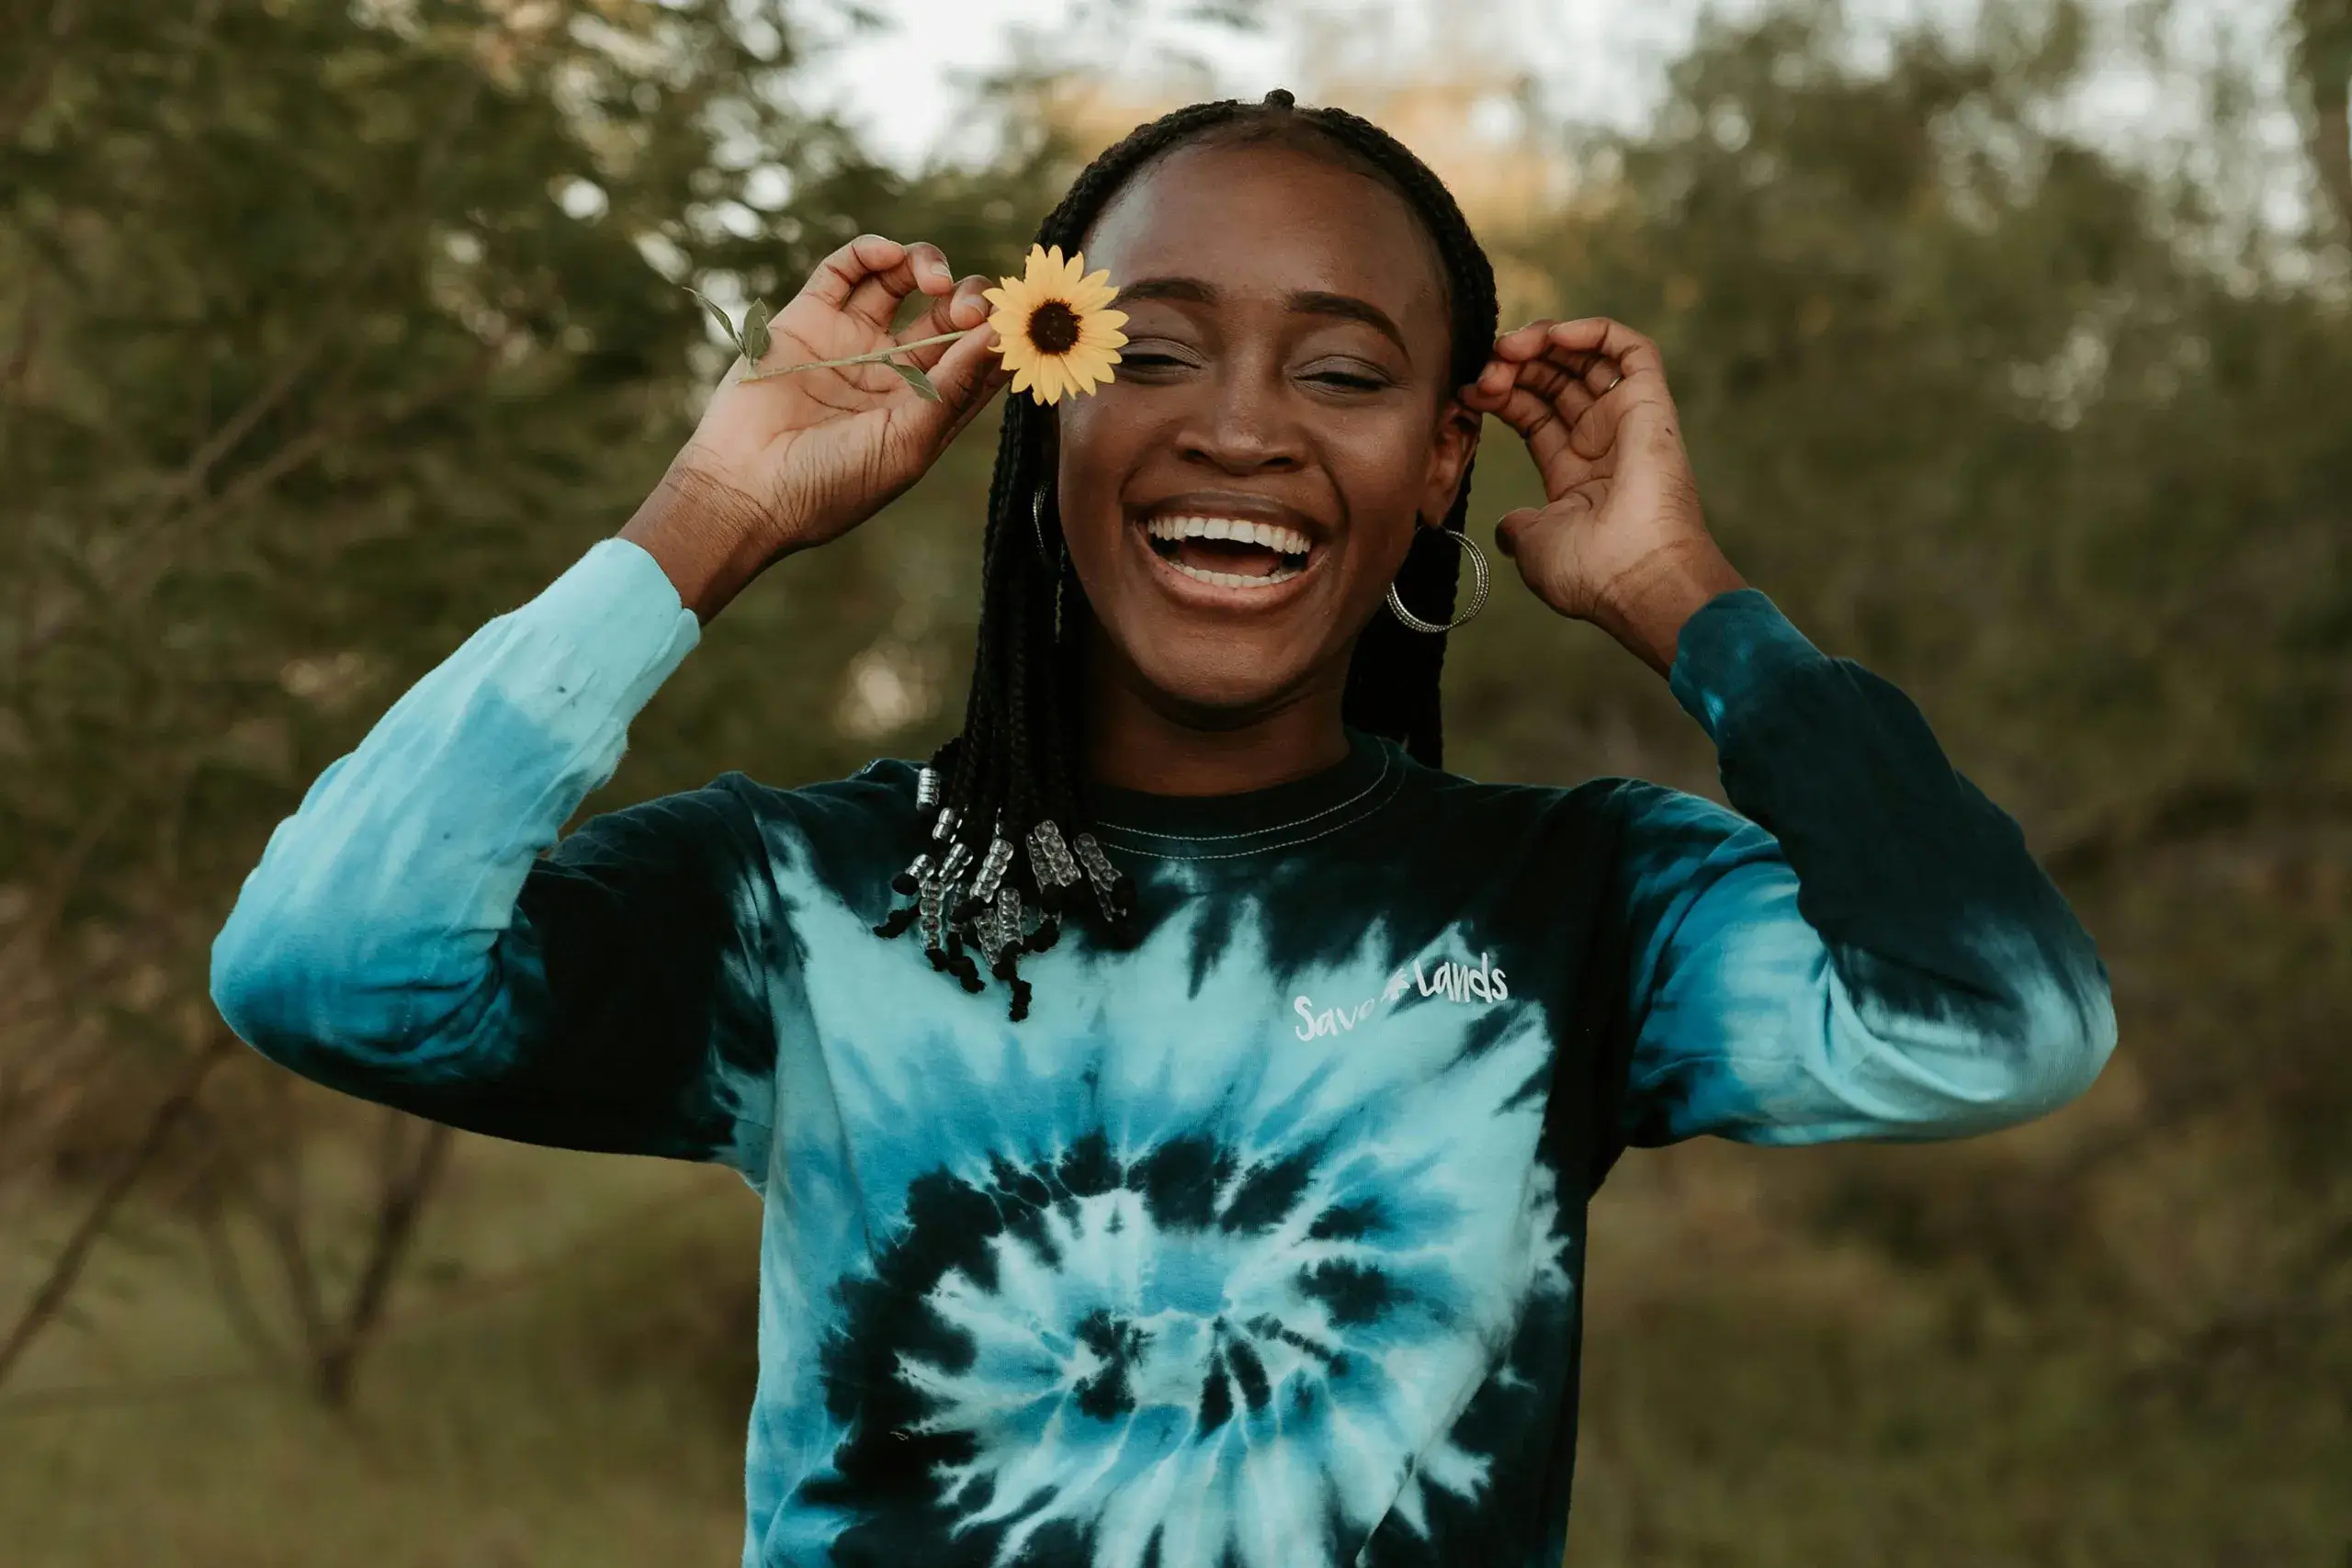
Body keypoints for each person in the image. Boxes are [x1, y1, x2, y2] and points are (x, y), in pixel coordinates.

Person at [211, 92, 2115, 1568]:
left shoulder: (1578, 905)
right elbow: (330, 968)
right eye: (1151, 349)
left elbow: (1993, 1021)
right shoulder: (809, 901)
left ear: (1441, 456)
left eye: (1347, 372)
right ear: (1034, 406)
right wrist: (707, 516)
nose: (1241, 428)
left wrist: (1690, 601)